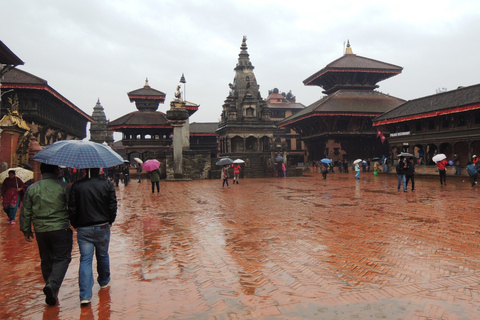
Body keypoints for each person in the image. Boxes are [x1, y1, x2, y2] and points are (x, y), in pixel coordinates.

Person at [19, 163, 72, 306]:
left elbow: (26, 211)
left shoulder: (32, 188)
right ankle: (52, 285)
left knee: (46, 259)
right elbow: (73, 207)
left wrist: (26, 229)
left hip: (40, 230)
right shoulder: (64, 187)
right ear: (55, 170)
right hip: (60, 228)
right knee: (63, 258)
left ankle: (51, 290)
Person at [68, 167, 117, 305]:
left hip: (83, 228)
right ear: (99, 170)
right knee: (102, 255)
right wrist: (110, 220)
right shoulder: (107, 184)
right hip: (102, 225)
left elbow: (72, 208)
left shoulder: (77, 185)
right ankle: (104, 280)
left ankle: (85, 295)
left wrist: (75, 223)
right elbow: (113, 204)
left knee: (85, 259)